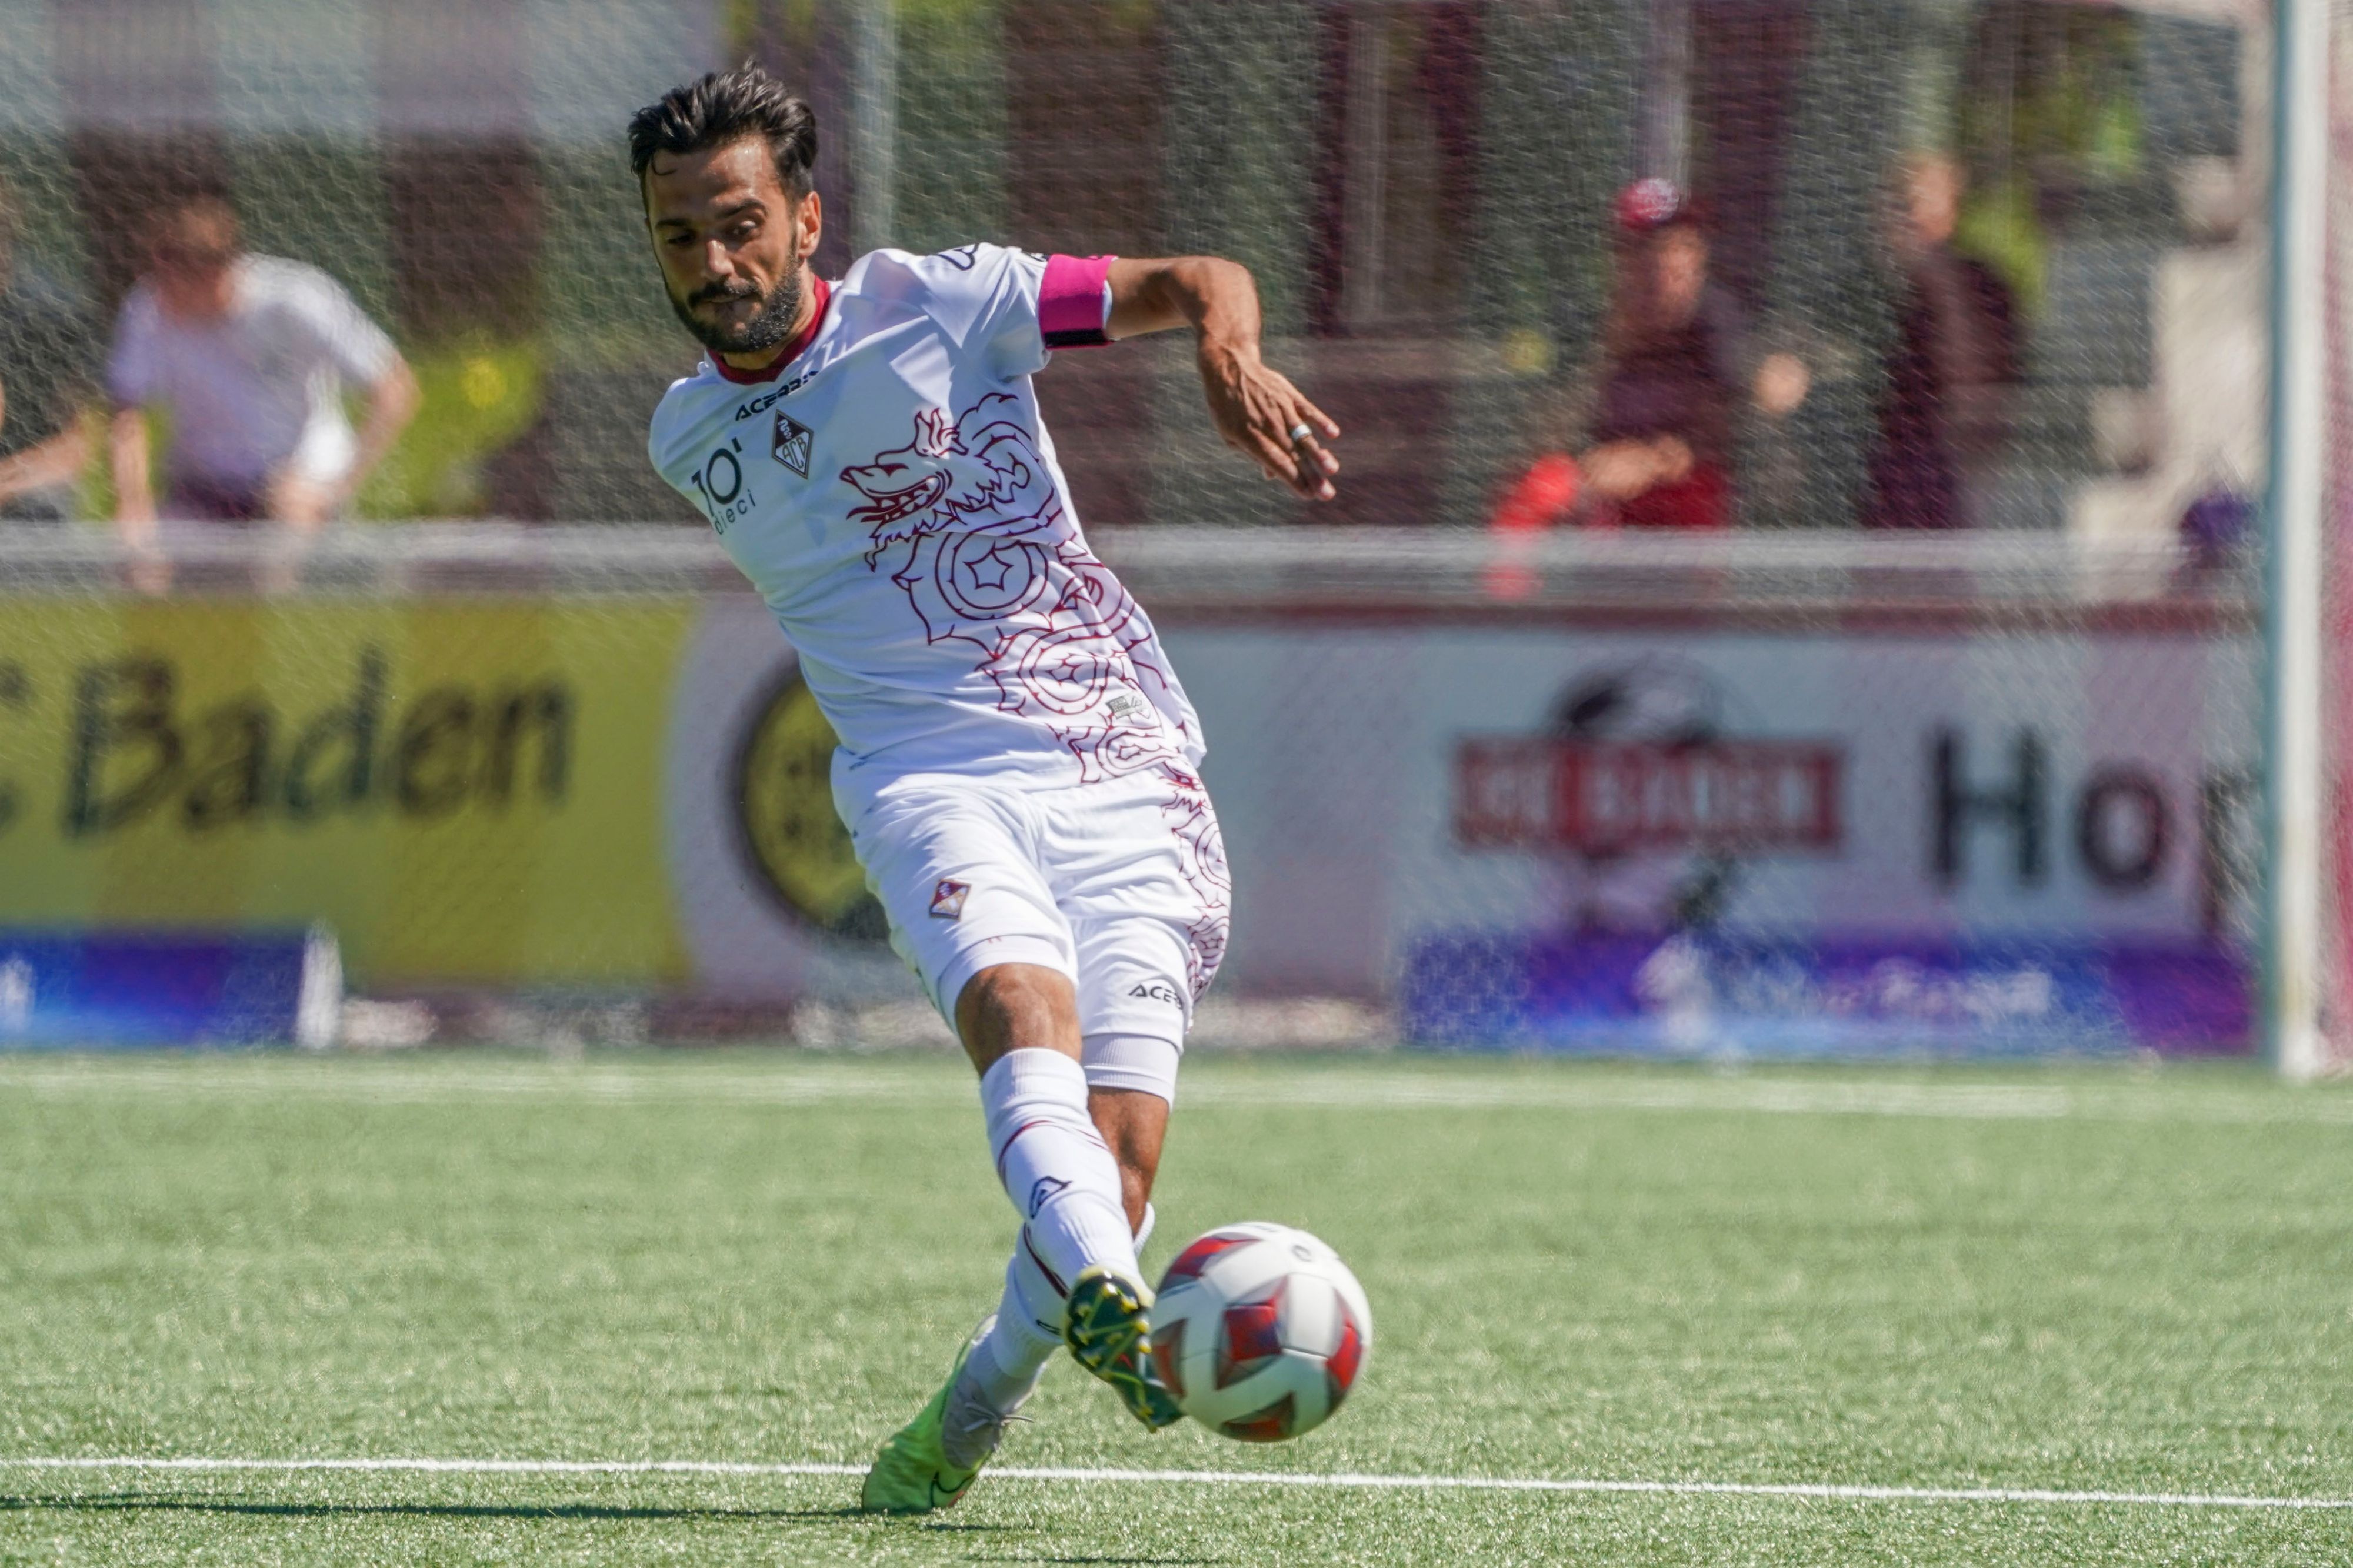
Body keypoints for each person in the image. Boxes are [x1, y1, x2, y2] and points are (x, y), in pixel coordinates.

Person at [631, 65, 1339, 1514]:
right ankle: (1116, 1308)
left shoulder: (941, 300)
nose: (714, 263)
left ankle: (969, 1408)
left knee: (1120, 1166)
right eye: (680, 238)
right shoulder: (685, 435)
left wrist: (1226, 347)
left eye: (740, 223)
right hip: (927, 776)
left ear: (807, 217)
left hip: (1124, 761)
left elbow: (1198, 275)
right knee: (1026, 1018)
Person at [107, 191, 419, 573]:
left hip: (293, 477)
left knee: (276, 559)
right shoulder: (148, 309)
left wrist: (334, 490)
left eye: (174, 286)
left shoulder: (296, 300)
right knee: (141, 567)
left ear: (216, 273)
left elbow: (394, 388)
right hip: (202, 485)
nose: (163, 297)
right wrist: (134, 507)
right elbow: (128, 414)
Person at [1491, 178, 1807, 533]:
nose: (1670, 267)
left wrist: (1655, 459)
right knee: (1540, 489)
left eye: (1685, 247)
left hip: (1691, 495)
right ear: (1620, 262)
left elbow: (1755, 408)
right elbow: (1541, 434)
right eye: (1649, 251)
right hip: (1602, 494)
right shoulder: (1589, 328)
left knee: (1696, 495)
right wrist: (1609, 352)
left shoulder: (1720, 321)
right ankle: (1504, 591)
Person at [1863, 152, 2018, 530]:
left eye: (1931, 200)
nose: (1918, 216)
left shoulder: (1980, 284)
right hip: (1882, 460)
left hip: (1953, 458)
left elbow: (1977, 369)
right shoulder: (1870, 289)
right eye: (1909, 201)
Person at [0, 179, 100, 522]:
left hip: (25, 485)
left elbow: (86, 438)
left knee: (47, 507)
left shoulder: (54, 314)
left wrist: (9, 481)